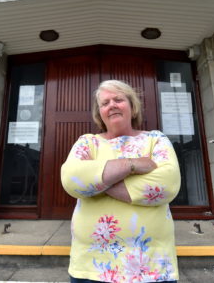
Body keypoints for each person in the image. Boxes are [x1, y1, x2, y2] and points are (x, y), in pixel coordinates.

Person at [61, 80, 181, 283]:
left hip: (152, 267)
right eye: (105, 103)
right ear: (99, 113)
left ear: (133, 107)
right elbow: (72, 179)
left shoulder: (156, 139)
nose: (112, 105)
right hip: (90, 267)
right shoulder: (87, 142)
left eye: (119, 99)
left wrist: (97, 180)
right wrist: (132, 165)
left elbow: (167, 184)